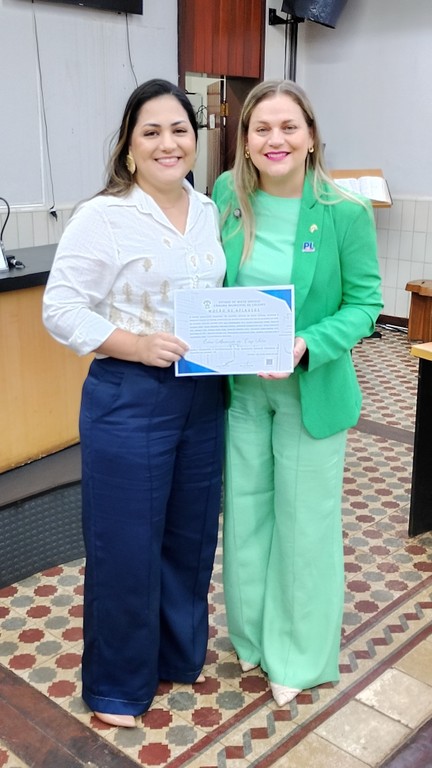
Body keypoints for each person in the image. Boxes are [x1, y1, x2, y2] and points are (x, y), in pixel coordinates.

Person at [43, 79, 226, 728]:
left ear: (195, 141)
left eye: (179, 130)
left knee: (190, 535)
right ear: (128, 147)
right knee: (125, 544)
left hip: (203, 393)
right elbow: (60, 309)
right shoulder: (104, 216)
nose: (167, 143)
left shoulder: (209, 209)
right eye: (151, 132)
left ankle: (176, 655)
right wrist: (136, 344)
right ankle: (118, 686)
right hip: (129, 396)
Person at [212, 79, 383, 707]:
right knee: (246, 517)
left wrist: (306, 343)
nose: (275, 139)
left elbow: (365, 304)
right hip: (241, 390)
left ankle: (298, 656)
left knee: (303, 523)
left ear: (311, 136)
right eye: (261, 128)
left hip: (310, 391)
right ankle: (253, 638)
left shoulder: (344, 212)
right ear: (245, 140)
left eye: (289, 127)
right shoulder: (226, 195)